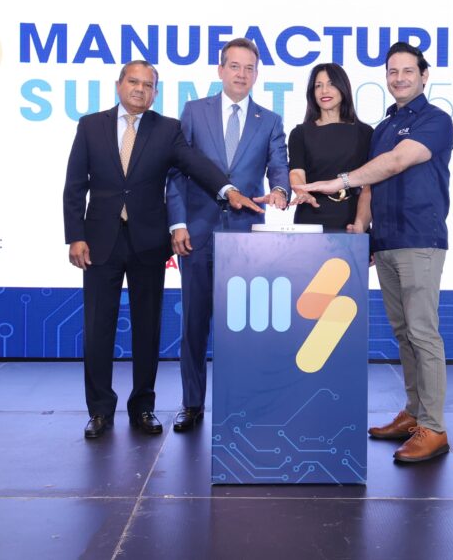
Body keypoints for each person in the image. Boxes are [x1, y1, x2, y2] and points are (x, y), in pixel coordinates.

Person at [64, 60, 263, 439]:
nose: (140, 89)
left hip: (148, 243)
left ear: (155, 92)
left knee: (147, 328)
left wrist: (228, 191)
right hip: (100, 242)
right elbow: (75, 185)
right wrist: (75, 235)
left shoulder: (167, 129)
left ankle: (143, 407)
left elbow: (196, 165)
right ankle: (100, 410)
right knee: (98, 328)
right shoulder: (90, 126)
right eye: (133, 82)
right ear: (119, 85)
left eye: (148, 85)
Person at [294, 42, 453, 463]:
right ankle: (414, 412)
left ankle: (434, 428)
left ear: (424, 76)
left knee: (423, 333)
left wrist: (338, 181)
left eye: (408, 71)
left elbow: (397, 162)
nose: (399, 78)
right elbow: (370, 186)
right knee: (404, 334)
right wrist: (360, 226)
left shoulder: (436, 120)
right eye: (392, 72)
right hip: (385, 241)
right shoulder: (383, 128)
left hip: (419, 239)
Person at [166, 37, 291, 432]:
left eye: (249, 68)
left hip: (246, 237)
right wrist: (178, 223)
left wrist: (281, 190)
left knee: (243, 328)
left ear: (257, 74)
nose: (241, 74)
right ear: (221, 70)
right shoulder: (194, 111)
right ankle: (192, 404)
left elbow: (279, 166)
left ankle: (241, 405)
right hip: (198, 232)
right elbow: (176, 171)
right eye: (234, 66)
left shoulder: (270, 120)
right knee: (194, 324)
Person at [287, 63, 373, 229]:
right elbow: (296, 172)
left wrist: (361, 223)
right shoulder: (300, 133)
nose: (324, 91)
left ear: (343, 88)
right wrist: (302, 192)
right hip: (311, 214)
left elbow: (370, 182)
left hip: (353, 217)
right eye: (318, 86)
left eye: (331, 84)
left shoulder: (365, 132)